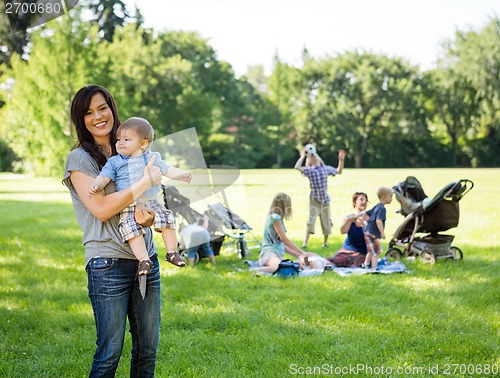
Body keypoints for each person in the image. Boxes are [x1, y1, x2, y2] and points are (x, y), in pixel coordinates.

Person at [63, 85, 162, 377]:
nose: (97, 117)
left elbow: (153, 198)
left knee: (147, 350)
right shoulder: (79, 159)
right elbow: (103, 208)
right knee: (109, 353)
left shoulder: (135, 145)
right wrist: (143, 183)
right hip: (107, 263)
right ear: (81, 120)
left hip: (146, 259)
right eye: (88, 113)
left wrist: (150, 218)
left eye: (101, 108)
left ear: (112, 107)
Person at [88, 116, 191, 273]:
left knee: (166, 217)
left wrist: (182, 175)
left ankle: (172, 252)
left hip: (151, 200)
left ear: (143, 144)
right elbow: (105, 176)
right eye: (118, 139)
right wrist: (97, 184)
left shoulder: (151, 157)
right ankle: (144, 260)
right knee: (130, 229)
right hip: (128, 203)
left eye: (126, 140)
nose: (120, 143)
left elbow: (167, 169)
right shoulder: (116, 161)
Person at [257, 192, 324, 273]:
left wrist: (300, 255)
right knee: (277, 268)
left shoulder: (277, 219)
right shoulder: (275, 218)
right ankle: (253, 271)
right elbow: (284, 239)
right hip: (269, 254)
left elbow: (283, 244)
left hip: (275, 254)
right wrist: (301, 252)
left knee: (304, 262)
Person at [294, 146, 346, 248]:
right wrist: (303, 156)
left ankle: (325, 244)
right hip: (314, 200)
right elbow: (297, 167)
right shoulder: (310, 171)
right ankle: (305, 243)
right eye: (312, 157)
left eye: (315, 156)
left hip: (325, 200)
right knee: (311, 221)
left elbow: (339, 171)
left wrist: (341, 160)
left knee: (326, 221)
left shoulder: (325, 169)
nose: (314, 157)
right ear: (309, 162)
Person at [329, 192, 369, 267]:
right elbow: (343, 231)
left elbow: (372, 234)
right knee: (337, 259)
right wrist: (349, 220)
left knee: (358, 261)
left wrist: (364, 222)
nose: (364, 202)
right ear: (355, 202)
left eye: (366, 200)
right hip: (347, 250)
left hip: (362, 252)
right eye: (361, 199)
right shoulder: (349, 218)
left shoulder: (369, 218)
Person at [363, 187, 393, 269]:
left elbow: (366, 213)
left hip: (368, 231)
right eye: (390, 196)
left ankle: (365, 264)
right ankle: (374, 268)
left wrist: (366, 221)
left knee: (370, 251)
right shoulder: (382, 209)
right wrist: (382, 232)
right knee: (377, 252)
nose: (392, 199)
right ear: (384, 197)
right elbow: (378, 220)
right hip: (374, 233)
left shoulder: (377, 206)